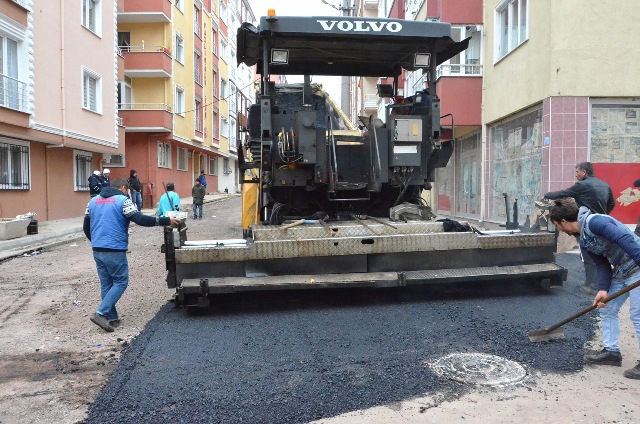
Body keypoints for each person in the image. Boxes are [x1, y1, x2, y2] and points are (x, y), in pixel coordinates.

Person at [549, 197, 640, 379]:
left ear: (563, 221)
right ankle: (612, 352)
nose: (558, 230)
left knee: (637, 314)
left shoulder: (596, 222)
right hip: (622, 271)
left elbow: (624, 239)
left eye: (556, 225)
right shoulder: (584, 240)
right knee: (608, 308)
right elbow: (602, 265)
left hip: (637, 266)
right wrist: (603, 289)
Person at [83, 178, 180, 332]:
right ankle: (100, 313)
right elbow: (140, 219)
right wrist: (165, 220)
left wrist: (95, 241)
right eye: (127, 190)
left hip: (97, 249)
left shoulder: (93, 201)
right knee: (121, 281)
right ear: (123, 188)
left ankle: (112, 318)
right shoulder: (123, 201)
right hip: (114, 249)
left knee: (106, 283)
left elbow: (86, 226)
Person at [543, 162, 615, 294]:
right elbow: (612, 203)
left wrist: (547, 195)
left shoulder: (582, 185)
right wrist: (602, 215)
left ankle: (592, 286)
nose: (576, 175)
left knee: (588, 255)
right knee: (599, 253)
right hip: (601, 223)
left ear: (584, 172)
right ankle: (596, 282)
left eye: (577, 172)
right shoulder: (605, 185)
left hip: (587, 225)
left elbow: (564, 193)